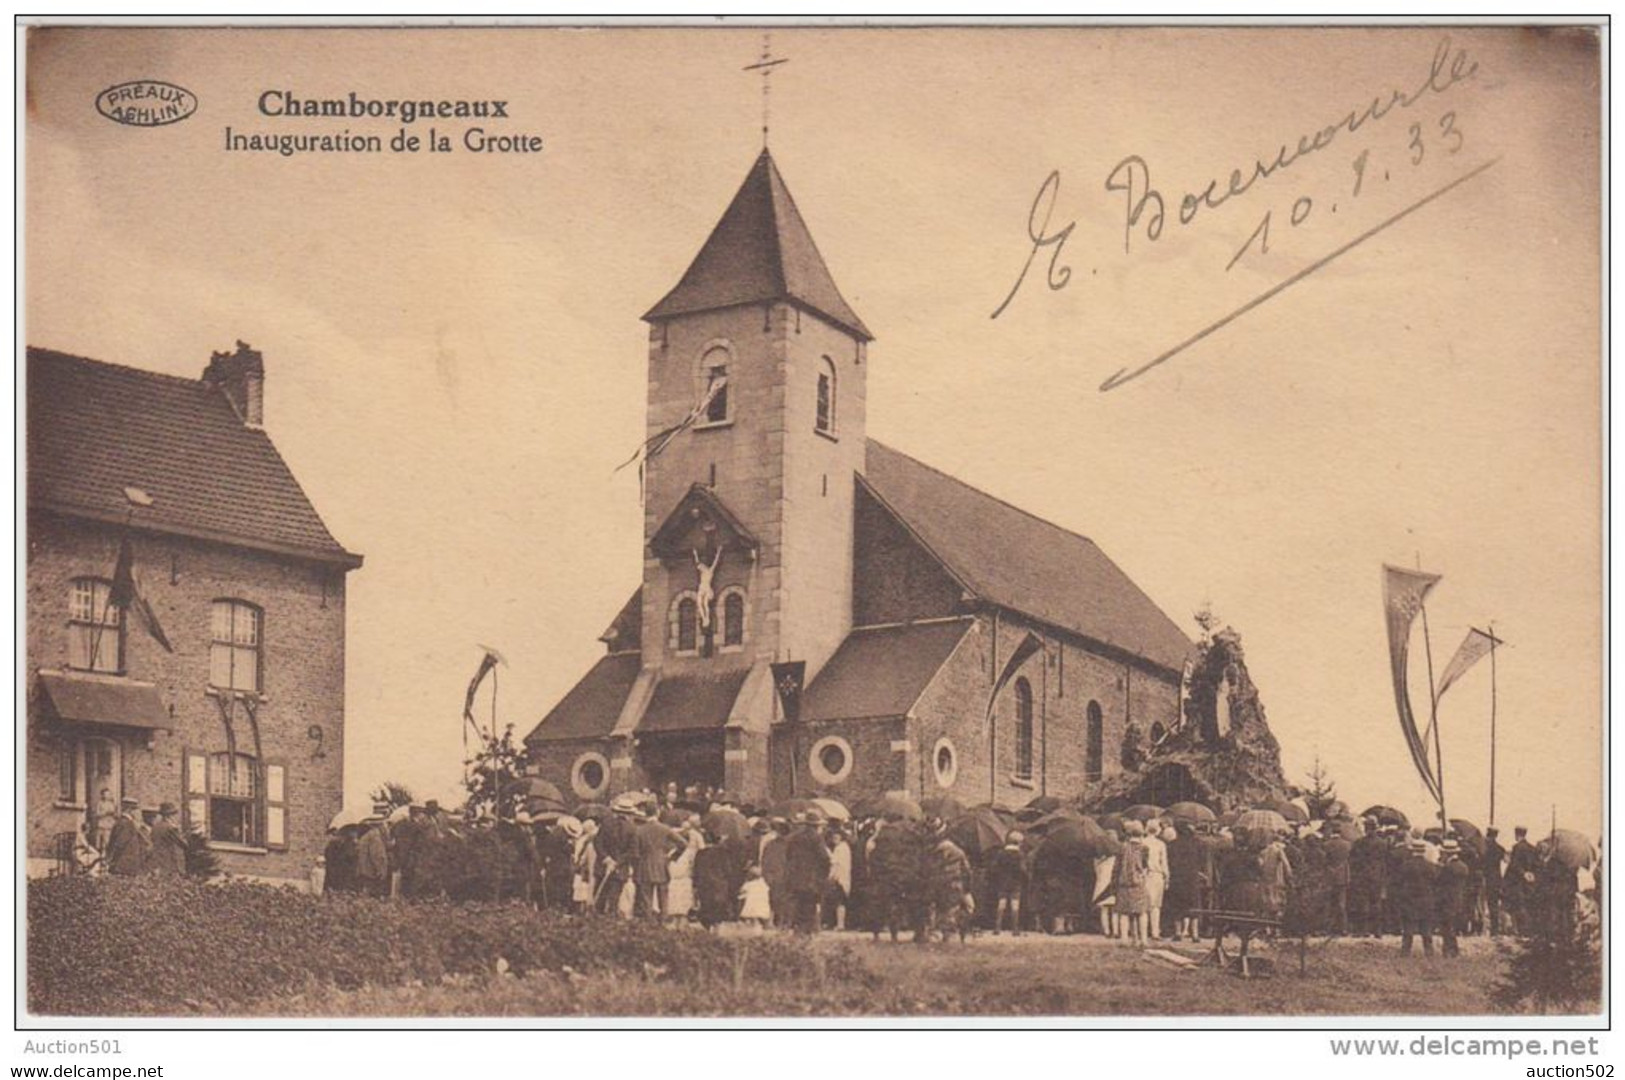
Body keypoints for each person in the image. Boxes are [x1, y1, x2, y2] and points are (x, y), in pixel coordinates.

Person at [784, 812, 832, 935]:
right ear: (816, 825)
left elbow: (788, 855)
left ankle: (797, 929)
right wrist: (823, 875)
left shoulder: (793, 837)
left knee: (798, 905)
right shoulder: (816, 838)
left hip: (795, 877)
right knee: (809, 906)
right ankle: (807, 931)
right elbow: (824, 858)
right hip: (812, 879)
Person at [630, 809, 679, 919]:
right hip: (662, 864)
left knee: (646, 898)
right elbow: (683, 843)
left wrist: (635, 866)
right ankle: (663, 920)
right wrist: (671, 857)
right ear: (657, 813)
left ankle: (648, 923)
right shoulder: (665, 829)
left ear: (645, 815)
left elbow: (635, 852)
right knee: (663, 897)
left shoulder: (639, 830)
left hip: (644, 865)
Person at [1165, 822, 1207, 941]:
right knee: (1194, 905)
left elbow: (1170, 862)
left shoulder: (1172, 845)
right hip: (1192, 878)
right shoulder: (1197, 844)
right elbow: (1201, 860)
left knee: (1177, 905)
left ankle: (1178, 932)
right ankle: (1195, 934)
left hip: (1177, 878)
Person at [1396, 837, 1437, 956]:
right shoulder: (1430, 866)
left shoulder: (1406, 866)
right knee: (1426, 930)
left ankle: (1405, 952)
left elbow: (1399, 882)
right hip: (1426, 900)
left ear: (1412, 850)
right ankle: (1429, 953)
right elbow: (1435, 882)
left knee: (1408, 929)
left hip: (1409, 900)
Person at [988, 830, 1028, 935]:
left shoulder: (1001, 853)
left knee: (1001, 904)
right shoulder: (1020, 855)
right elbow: (1022, 869)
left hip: (1003, 881)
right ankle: (1015, 929)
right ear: (1018, 842)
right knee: (1015, 905)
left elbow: (994, 867)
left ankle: (997, 927)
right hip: (1016, 882)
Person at [1435, 837, 1469, 958]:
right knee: (1451, 924)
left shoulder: (1447, 868)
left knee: (1446, 926)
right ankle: (1452, 949)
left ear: (1447, 853)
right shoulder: (1463, 866)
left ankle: (1449, 950)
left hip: (1446, 899)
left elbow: (1439, 882)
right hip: (1459, 898)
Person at [665, 820, 702, 925]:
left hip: (684, 881)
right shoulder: (672, 853)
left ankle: (681, 924)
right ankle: (676, 923)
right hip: (675, 882)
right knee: (675, 906)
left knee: (683, 907)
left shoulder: (690, 853)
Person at [1504, 826, 1539, 935]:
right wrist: (1531, 874)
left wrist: (1523, 873)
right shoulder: (1532, 848)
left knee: (1518, 905)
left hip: (1517, 882)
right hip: (1530, 881)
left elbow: (1514, 865)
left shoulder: (1517, 847)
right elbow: (1536, 865)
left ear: (1516, 834)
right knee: (1527, 905)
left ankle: (1521, 930)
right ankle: (1528, 930)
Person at [105, 797, 147, 876]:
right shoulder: (125, 823)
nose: (138, 812)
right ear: (129, 810)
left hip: (125, 863)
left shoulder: (124, 822)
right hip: (124, 864)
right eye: (135, 810)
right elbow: (120, 843)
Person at [760, 818, 790, 927]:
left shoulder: (771, 844)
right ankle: (778, 922)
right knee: (779, 899)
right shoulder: (787, 845)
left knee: (774, 899)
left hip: (775, 874)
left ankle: (774, 921)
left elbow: (765, 859)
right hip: (780, 874)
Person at [356, 808, 392, 898]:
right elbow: (378, 856)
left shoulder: (365, 836)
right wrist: (381, 871)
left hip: (364, 872)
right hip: (372, 874)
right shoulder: (375, 837)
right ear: (379, 825)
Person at [1144, 823, 1171, 939]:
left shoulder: (1142, 842)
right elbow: (1164, 863)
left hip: (1145, 874)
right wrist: (1167, 877)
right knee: (1156, 906)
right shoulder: (1161, 844)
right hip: (1157, 875)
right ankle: (1155, 931)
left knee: (1144, 905)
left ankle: (1143, 931)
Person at [825, 824, 852, 930]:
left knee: (839, 902)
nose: (834, 840)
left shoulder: (840, 848)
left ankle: (840, 924)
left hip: (839, 877)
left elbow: (835, 863)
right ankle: (840, 923)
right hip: (844, 877)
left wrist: (831, 876)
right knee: (840, 902)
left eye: (836, 837)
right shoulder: (845, 847)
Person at [148, 802, 186, 876]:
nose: (176, 817)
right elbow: (184, 843)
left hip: (158, 860)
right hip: (171, 862)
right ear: (169, 816)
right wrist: (178, 830)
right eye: (174, 815)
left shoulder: (155, 827)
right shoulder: (171, 828)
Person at [1482, 826, 1507, 935]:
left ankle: (1485, 928)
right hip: (1497, 878)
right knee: (1494, 904)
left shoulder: (1484, 848)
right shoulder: (1500, 849)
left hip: (1486, 878)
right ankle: (1495, 929)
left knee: (1485, 903)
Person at [738, 864, 772, 931]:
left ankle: (755, 928)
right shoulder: (763, 883)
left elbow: (742, 892)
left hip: (753, 906)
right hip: (761, 906)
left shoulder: (748, 884)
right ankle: (760, 927)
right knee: (758, 917)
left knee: (753, 917)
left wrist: (742, 894)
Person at [93, 787, 117, 852]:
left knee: (108, 841)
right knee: (100, 841)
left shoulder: (112, 804)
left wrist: (113, 814)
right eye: (106, 794)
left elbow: (115, 814)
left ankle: (106, 854)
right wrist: (105, 813)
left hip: (109, 824)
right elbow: (97, 814)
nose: (107, 796)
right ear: (103, 795)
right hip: (102, 824)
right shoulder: (100, 803)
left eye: (109, 794)